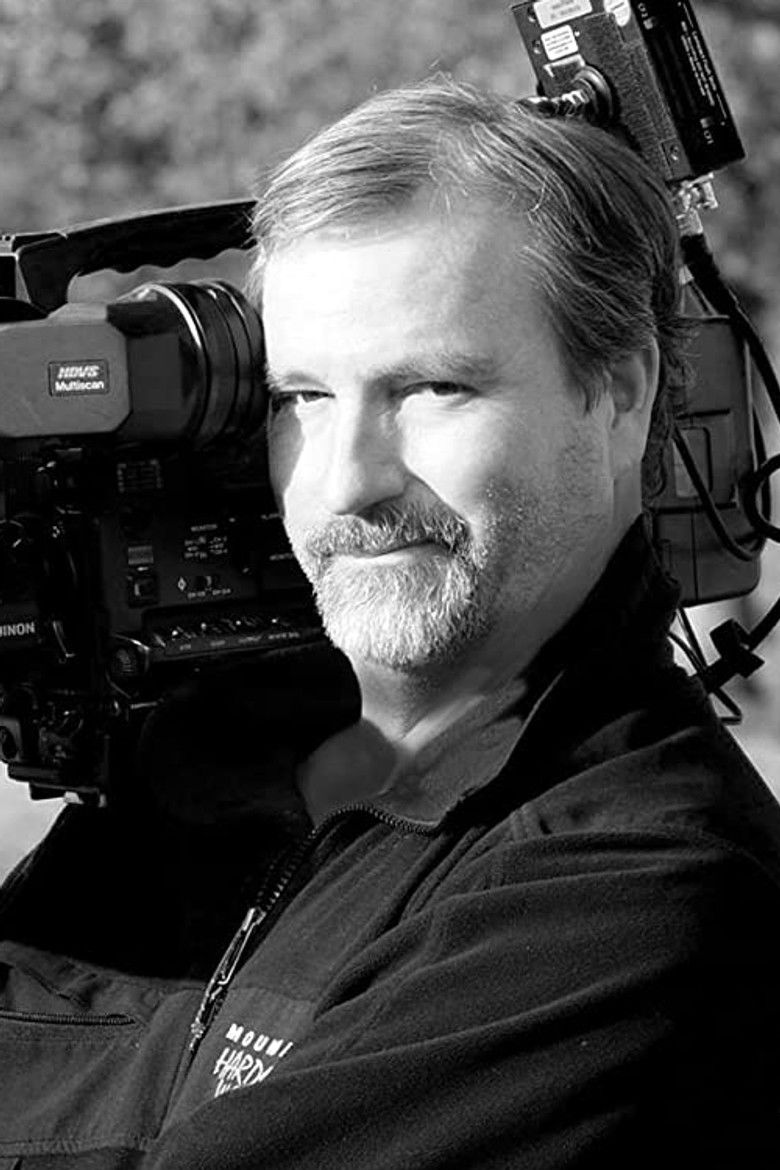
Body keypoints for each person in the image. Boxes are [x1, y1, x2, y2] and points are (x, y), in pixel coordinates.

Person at [2, 75, 780, 1169]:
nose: (345, 481)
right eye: (301, 400)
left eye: (430, 388)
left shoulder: (637, 889)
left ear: (620, 393)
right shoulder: (202, 769)